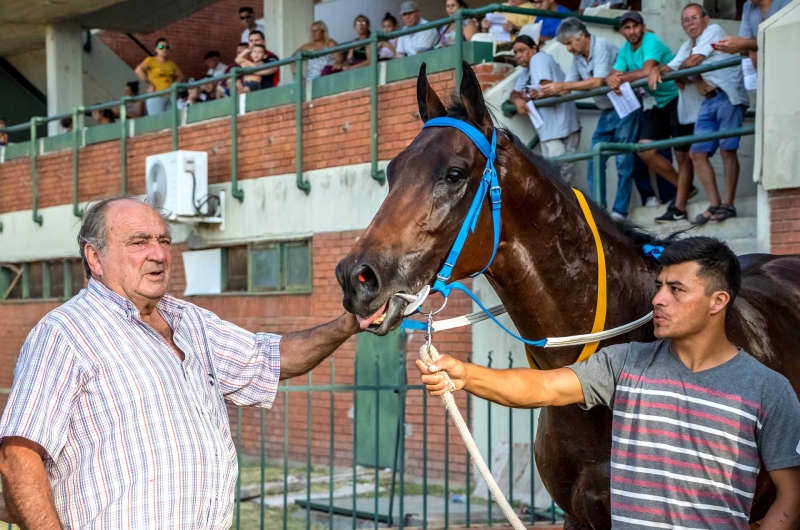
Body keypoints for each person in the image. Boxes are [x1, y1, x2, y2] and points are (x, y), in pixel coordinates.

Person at [0, 197, 361, 528]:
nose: (158, 254)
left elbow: (271, 359)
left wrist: (348, 323)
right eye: (139, 242)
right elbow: (18, 455)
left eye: (165, 241)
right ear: (95, 257)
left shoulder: (191, 322)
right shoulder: (65, 333)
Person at [417, 236, 800, 529]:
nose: (658, 300)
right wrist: (467, 375)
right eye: (659, 286)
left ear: (718, 301)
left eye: (676, 290)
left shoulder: (768, 389)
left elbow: (792, 492)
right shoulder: (626, 363)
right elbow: (543, 388)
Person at [649, 4, 749, 225]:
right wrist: (657, 69)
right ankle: (714, 204)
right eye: (685, 20)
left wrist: (681, 73)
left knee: (727, 151)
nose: (690, 23)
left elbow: (692, 62)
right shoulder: (687, 45)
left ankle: (728, 205)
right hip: (707, 101)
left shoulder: (713, 30)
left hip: (726, 96)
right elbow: (673, 67)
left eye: (694, 18)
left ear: (705, 18)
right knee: (696, 153)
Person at [542, 18, 637, 219]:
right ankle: (599, 211)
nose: (568, 49)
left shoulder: (601, 46)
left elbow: (596, 82)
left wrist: (561, 87)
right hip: (607, 110)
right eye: (566, 45)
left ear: (582, 36)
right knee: (596, 158)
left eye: (570, 43)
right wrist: (546, 91)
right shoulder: (579, 57)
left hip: (624, 107)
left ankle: (620, 211)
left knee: (623, 161)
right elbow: (568, 86)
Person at [605, 12, 692, 221]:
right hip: (655, 102)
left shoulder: (651, 40)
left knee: (682, 153)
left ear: (642, 27)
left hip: (676, 96)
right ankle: (685, 187)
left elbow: (646, 71)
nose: (631, 31)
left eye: (635, 26)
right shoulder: (625, 49)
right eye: (626, 28)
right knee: (645, 150)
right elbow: (615, 74)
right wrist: (611, 78)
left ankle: (679, 205)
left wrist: (620, 79)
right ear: (622, 31)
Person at [510, 35, 581, 186]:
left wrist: (526, 95)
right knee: (556, 174)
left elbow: (544, 88)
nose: (518, 55)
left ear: (534, 49)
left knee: (561, 174)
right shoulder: (526, 70)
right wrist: (518, 99)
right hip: (550, 128)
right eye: (515, 52)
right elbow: (514, 93)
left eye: (522, 50)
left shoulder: (538, 59)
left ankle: (575, 207)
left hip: (562, 125)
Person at [715, 0, 792, 69]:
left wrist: (745, 44)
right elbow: (743, 50)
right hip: (761, 74)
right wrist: (734, 45)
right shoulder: (748, 6)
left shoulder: (788, 2)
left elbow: (783, 40)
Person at [134, 38, 185, 116]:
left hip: (170, 96)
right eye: (161, 47)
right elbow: (138, 70)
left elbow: (181, 76)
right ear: (156, 49)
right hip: (156, 95)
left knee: (173, 120)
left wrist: (174, 85)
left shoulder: (171, 63)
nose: (164, 49)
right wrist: (150, 83)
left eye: (166, 47)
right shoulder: (151, 60)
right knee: (157, 120)